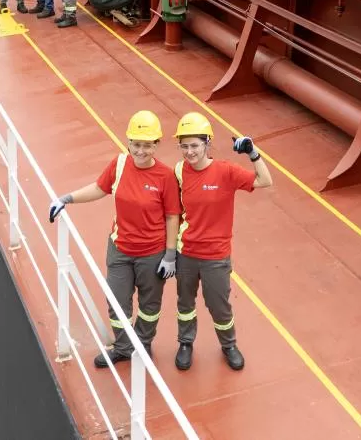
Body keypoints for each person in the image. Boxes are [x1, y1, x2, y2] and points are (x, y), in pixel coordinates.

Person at [48, 111, 182, 368]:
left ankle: (143, 344)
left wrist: (169, 254)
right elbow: (100, 188)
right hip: (120, 249)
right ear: (128, 142)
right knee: (117, 302)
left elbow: (172, 217)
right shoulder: (119, 165)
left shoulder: (165, 177)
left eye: (147, 145)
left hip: (152, 253)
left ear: (156, 145)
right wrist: (67, 198)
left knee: (149, 304)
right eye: (136, 144)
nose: (140, 151)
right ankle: (122, 347)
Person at [170, 112, 273, 372]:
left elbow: (264, 180)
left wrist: (253, 153)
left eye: (195, 145)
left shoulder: (226, 172)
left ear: (207, 143)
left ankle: (229, 345)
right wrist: (169, 252)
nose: (189, 152)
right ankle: (185, 343)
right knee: (185, 303)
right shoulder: (179, 170)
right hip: (187, 253)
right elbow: (173, 211)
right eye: (184, 146)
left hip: (216, 256)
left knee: (219, 305)